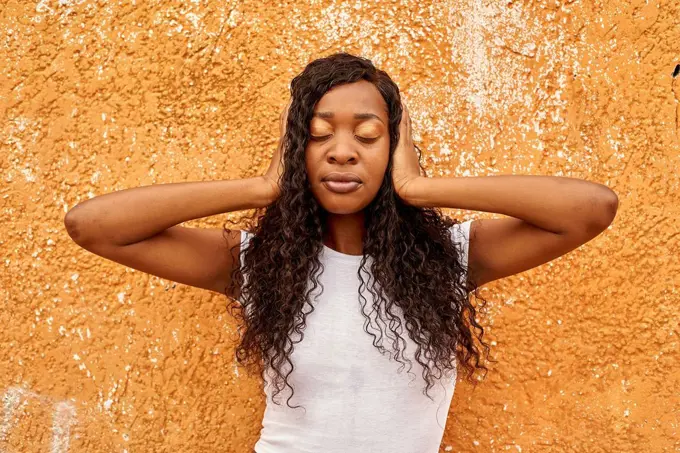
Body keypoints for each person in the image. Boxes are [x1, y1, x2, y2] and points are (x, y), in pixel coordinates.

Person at [64, 52, 619, 453]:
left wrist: (421, 188)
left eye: (368, 135)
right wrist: (262, 188)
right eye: (318, 133)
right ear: (294, 151)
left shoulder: (450, 260)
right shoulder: (259, 266)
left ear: (395, 148)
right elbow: (92, 226)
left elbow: (591, 209)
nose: (343, 153)